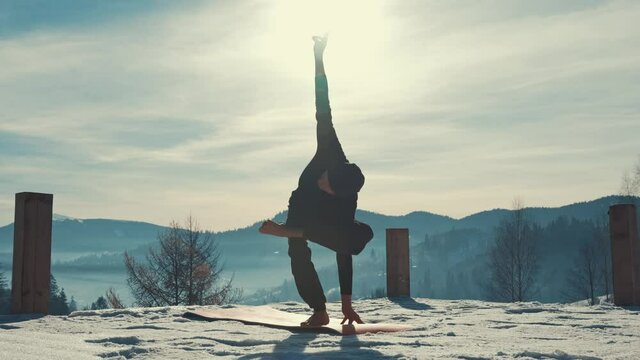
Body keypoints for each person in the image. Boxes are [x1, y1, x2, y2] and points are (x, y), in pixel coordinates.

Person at [259, 35, 374, 327]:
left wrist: (347, 302)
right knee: (297, 250)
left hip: (319, 220)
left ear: (340, 195)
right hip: (300, 205)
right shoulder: (330, 149)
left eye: (328, 187)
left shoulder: (346, 204)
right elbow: (322, 101)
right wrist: (318, 55)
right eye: (325, 179)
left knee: (347, 237)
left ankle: (329, 309)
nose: (322, 182)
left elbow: (343, 250)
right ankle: (319, 310)